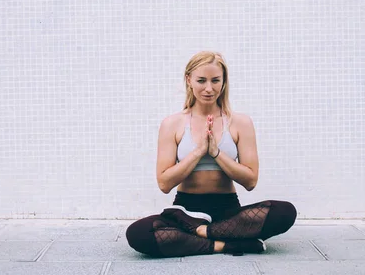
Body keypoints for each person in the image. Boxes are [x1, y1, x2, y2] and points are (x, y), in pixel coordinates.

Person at [126, 51, 297, 257]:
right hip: (185, 213)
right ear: (189, 80)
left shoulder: (240, 123)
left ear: (224, 81)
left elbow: (250, 181)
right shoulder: (173, 124)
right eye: (201, 81)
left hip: (228, 212)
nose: (209, 88)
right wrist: (198, 152)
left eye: (216, 80)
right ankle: (227, 244)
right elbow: (164, 184)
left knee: (285, 212)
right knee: (138, 234)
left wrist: (216, 153)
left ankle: (202, 233)